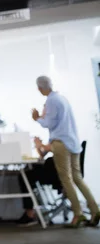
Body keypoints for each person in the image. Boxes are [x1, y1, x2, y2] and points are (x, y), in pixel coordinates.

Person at [31, 75, 99, 228]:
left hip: (61, 144)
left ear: (40, 88)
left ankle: (78, 213)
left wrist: (37, 118)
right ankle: (94, 210)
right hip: (72, 142)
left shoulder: (51, 101)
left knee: (66, 179)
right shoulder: (62, 98)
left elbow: (48, 123)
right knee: (77, 178)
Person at [14, 141, 61, 226]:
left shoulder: (60, 138)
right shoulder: (55, 138)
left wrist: (40, 144)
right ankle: (31, 212)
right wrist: (38, 146)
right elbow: (42, 155)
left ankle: (29, 213)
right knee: (29, 173)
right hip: (54, 169)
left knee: (25, 176)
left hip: (57, 172)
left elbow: (50, 149)